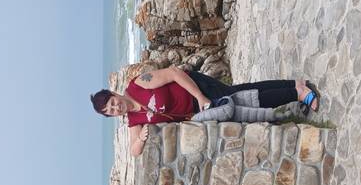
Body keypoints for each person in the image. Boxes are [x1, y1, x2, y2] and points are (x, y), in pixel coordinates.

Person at [91, 66, 320, 156]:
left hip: (197, 90)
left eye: (112, 102)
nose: (115, 107)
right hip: (200, 112)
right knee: (244, 95)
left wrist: (200, 97)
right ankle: (295, 86)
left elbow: (173, 73)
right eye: (110, 111)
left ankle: (297, 92)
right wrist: (140, 140)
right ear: (111, 115)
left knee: (245, 98)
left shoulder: (137, 85)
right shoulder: (134, 120)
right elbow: (133, 151)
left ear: (114, 94)